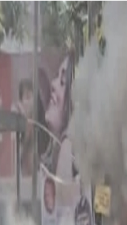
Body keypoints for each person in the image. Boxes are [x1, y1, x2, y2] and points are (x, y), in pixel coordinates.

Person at [44, 50, 77, 182]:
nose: (53, 83)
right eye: (57, 77)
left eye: (62, 82)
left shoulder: (68, 146)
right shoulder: (57, 148)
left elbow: (63, 195)